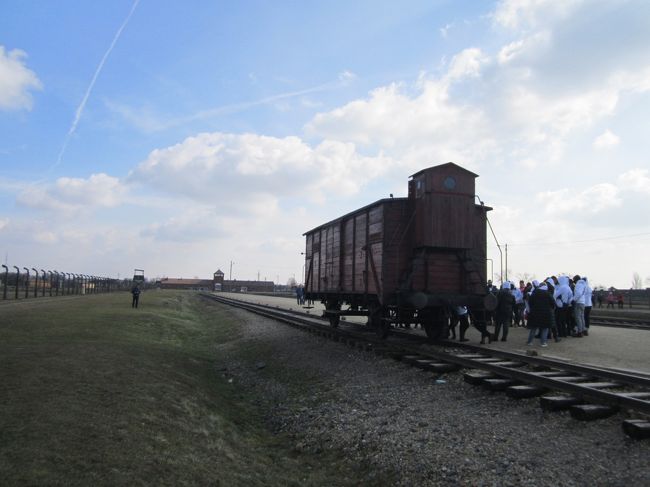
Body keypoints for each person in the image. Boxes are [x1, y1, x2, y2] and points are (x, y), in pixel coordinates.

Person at [526, 281, 555, 347]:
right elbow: (553, 303)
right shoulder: (548, 294)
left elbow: (530, 302)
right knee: (545, 328)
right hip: (546, 313)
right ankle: (543, 342)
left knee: (533, 328)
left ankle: (529, 342)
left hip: (535, 313)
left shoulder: (534, 293)